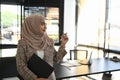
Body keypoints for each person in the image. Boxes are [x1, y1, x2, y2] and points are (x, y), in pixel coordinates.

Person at [16, 14, 68, 80]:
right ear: (33, 25)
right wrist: (35, 79)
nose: (45, 27)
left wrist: (63, 44)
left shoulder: (48, 41)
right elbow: (21, 66)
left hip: (50, 78)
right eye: (42, 24)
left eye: (45, 24)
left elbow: (56, 59)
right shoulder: (23, 43)